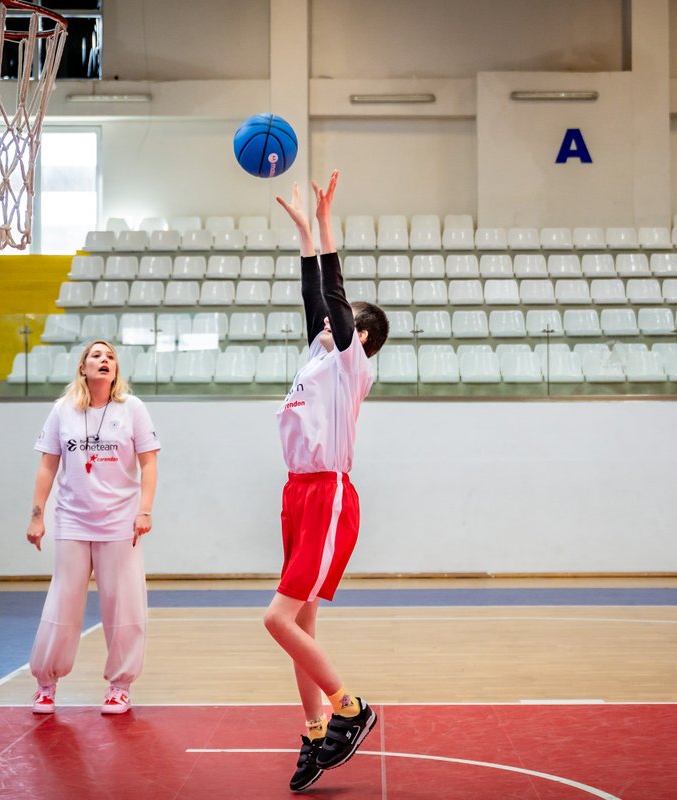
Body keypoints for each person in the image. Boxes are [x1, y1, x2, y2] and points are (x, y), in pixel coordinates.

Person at [263, 170, 389, 792]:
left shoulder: (349, 363)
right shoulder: (318, 354)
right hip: (297, 492)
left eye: (343, 321)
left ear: (359, 337)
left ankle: (349, 708)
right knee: (301, 626)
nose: (327, 320)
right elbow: (316, 298)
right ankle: (315, 729)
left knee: (277, 620)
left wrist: (329, 224)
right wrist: (304, 232)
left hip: (328, 494)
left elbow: (333, 297)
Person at [25, 339, 160, 716]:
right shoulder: (61, 411)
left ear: (116, 370)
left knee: (122, 605)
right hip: (72, 519)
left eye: (111, 357)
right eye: (96, 356)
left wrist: (144, 511)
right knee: (62, 602)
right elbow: (48, 466)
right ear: (82, 368)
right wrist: (37, 515)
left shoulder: (132, 409)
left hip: (119, 521)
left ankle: (120, 686)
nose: (104, 360)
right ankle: (45, 684)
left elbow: (148, 464)